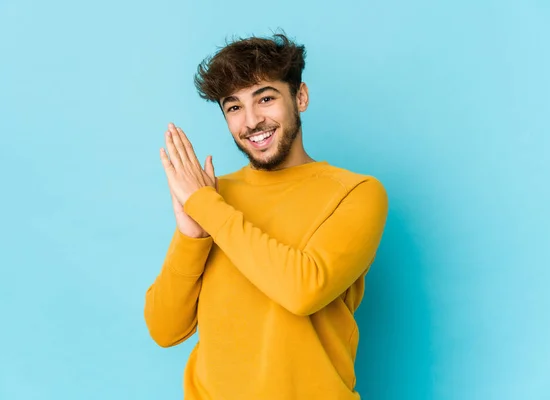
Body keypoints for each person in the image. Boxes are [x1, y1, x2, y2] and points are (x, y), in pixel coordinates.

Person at [144, 32, 389, 400]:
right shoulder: (212, 197)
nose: (252, 121)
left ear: (300, 97)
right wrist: (193, 235)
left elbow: (303, 290)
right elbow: (164, 330)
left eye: (266, 98)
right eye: (234, 107)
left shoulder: (357, 192)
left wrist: (206, 206)